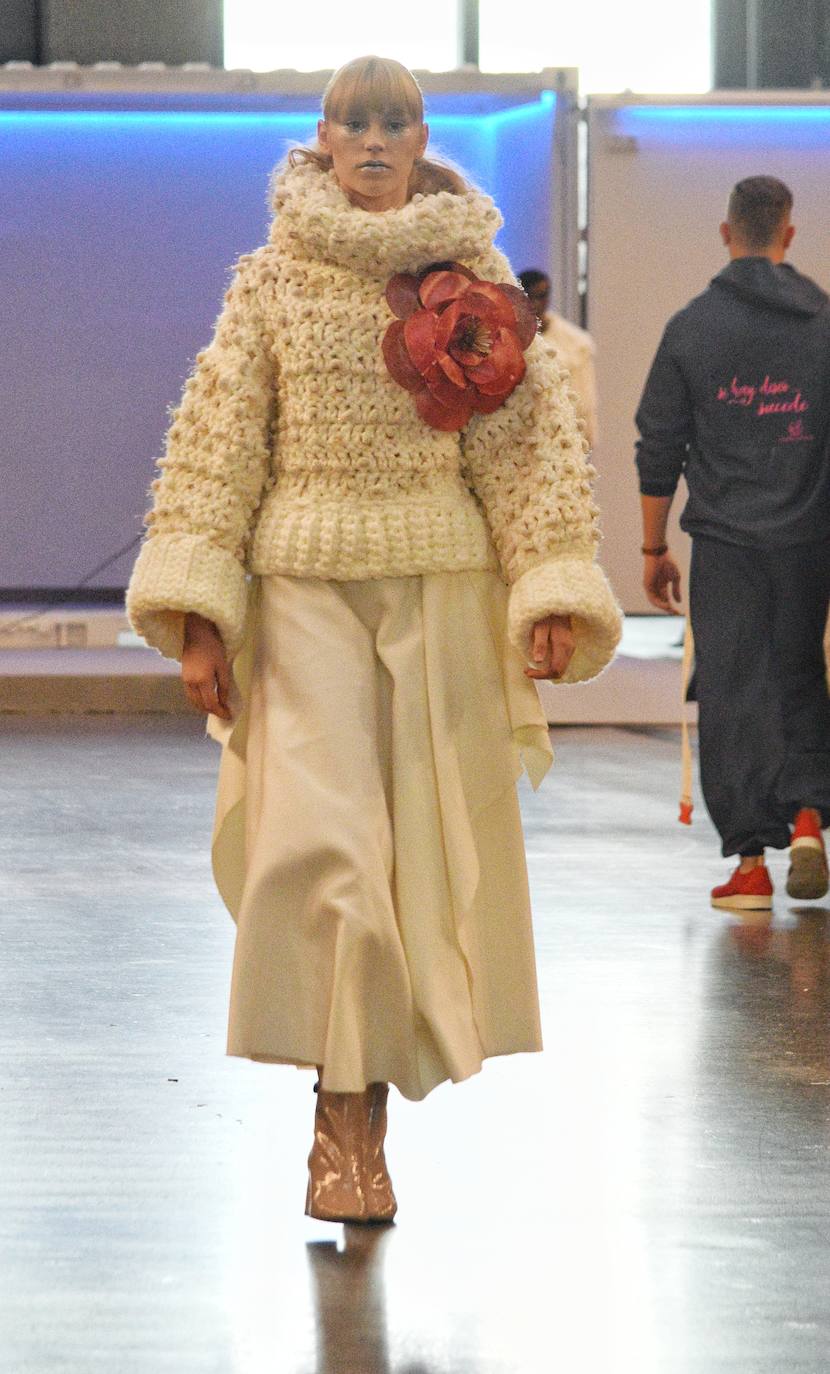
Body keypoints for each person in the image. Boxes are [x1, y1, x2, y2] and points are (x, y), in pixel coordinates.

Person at [126, 55, 621, 1223]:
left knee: (415, 869)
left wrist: (548, 584)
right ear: (320, 136)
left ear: (420, 136)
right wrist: (200, 615)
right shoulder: (269, 280)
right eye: (352, 122)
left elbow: (525, 445)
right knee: (328, 860)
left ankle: (366, 1118)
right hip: (302, 597)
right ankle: (337, 1123)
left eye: (393, 122)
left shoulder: (475, 272)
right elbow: (218, 441)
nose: (371, 141)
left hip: (437, 593)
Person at [635, 175, 830, 912]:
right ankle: (809, 822)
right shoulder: (823, 323)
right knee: (801, 673)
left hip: (723, 541)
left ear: (726, 233)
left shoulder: (692, 328)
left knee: (731, 686)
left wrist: (654, 550)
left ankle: (749, 865)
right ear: (788, 234)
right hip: (809, 538)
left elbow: (660, 445)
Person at [518, 268, 598, 449]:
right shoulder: (507, 340)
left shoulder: (576, 343)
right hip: (522, 437)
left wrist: (586, 439)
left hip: (566, 435)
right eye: (530, 297)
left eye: (542, 296)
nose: (536, 303)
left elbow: (586, 399)